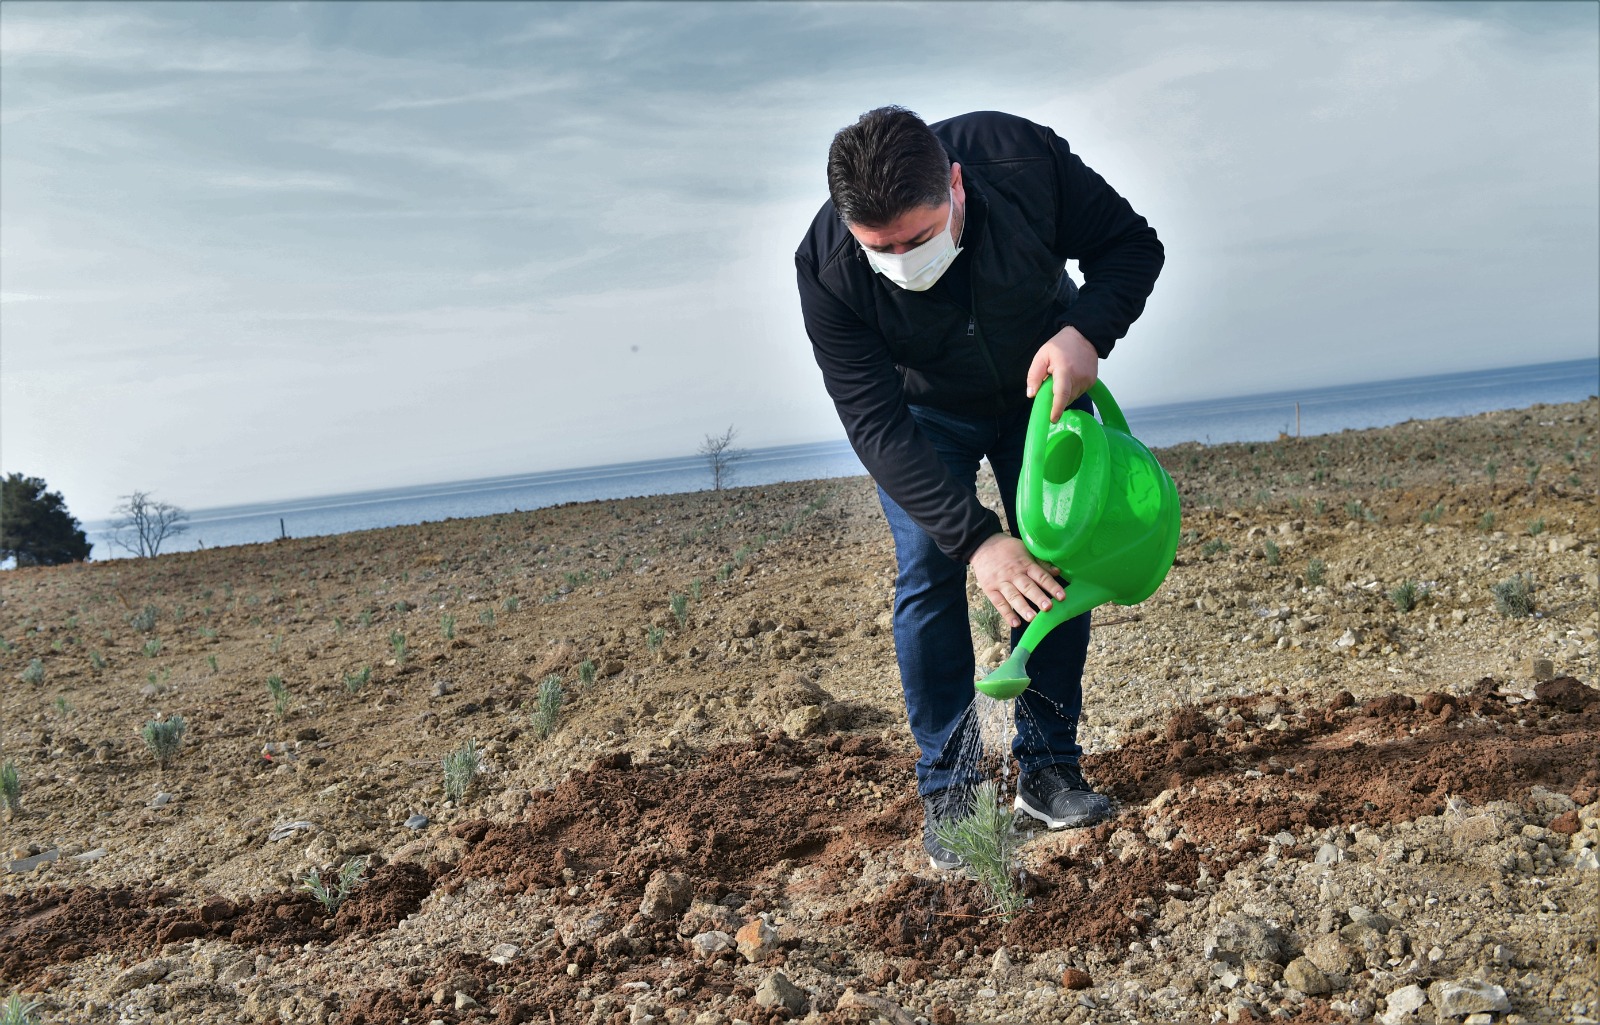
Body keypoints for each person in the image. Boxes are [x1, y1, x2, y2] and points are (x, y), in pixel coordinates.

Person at [794, 107, 1164, 870]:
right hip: (924, 413)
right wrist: (978, 539)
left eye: (920, 237)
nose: (903, 260)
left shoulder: (1021, 160)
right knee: (930, 567)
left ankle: (1049, 768)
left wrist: (1085, 330)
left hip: (1043, 384)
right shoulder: (827, 264)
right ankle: (952, 792)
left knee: (1057, 553)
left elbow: (1133, 246)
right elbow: (875, 423)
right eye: (882, 250)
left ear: (956, 184)